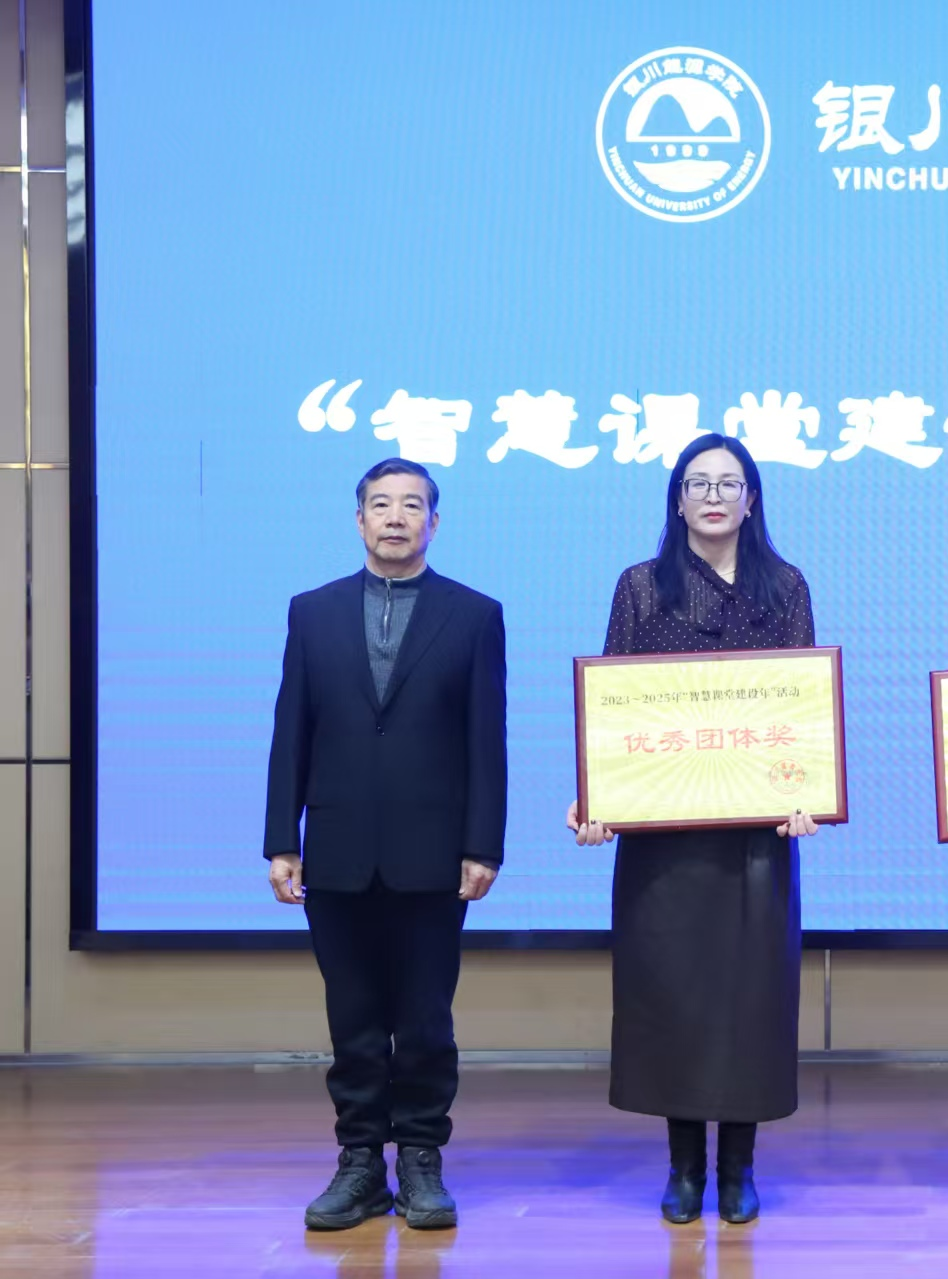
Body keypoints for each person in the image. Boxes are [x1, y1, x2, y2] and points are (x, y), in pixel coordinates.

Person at [567, 433, 819, 1226]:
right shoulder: (641, 587)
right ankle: (683, 1169)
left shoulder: (786, 586)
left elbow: (803, 708)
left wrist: (807, 794)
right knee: (673, 997)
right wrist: (597, 796)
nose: (713, 496)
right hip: (664, 837)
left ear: (751, 500)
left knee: (749, 1000)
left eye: (728, 483)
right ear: (677, 501)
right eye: (697, 483)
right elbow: (612, 708)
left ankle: (738, 1168)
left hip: (754, 837)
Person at [263, 457, 507, 1231]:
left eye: (411, 504)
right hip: (335, 848)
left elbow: (486, 739)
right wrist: (281, 839)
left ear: (434, 521)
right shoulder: (312, 611)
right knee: (354, 1017)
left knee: (426, 1017)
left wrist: (484, 844)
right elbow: (291, 729)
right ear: (359, 519)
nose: (395, 516)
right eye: (380, 504)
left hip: (433, 851)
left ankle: (423, 1160)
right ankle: (361, 1161)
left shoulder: (474, 614)